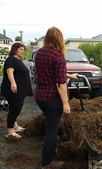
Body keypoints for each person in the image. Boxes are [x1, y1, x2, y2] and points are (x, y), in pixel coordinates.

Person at [34, 26, 71, 169]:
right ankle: (47, 163)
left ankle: (50, 150)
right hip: (53, 99)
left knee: (51, 125)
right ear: (60, 39)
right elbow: (60, 83)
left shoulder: (40, 53)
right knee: (52, 130)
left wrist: (69, 75)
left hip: (40, 97)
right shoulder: (58, 56)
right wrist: (66, 103)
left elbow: (50, 73)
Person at [0, 43, 33, 139]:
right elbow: (9, 71)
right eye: (21, 49)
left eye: (23, 50)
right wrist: (13, 83)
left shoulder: (17, 60)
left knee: (15, 108)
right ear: (15, 50)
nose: (23, 51)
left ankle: (15, 126)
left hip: (19, 90)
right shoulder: (11, 59)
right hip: (13, 90)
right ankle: (10, 132)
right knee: (15, 109)